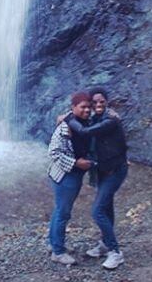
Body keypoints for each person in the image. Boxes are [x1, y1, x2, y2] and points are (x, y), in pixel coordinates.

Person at [62, 88, 128, 270]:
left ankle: (116, 252)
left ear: (107, 102)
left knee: (97, 211)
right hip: (104, 170)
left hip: (115, 170)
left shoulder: (110, 120)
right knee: (106, 207)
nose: (98, 105)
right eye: (95, 103)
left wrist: (68, 119)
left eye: (102, 102)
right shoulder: (96, 118)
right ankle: (106, 244)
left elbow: (85, 132)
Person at [46, 91, 94, 265]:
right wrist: (76, 163)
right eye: (83, 107)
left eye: (89, 107)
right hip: (65, 175)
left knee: (59, 209)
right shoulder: (65, 127)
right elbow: (53, 152)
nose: (87, 110)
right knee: (63, 212)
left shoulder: (84, 122)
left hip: (71, 174)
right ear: (73, 108)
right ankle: (58, 252)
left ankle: (53, 243)